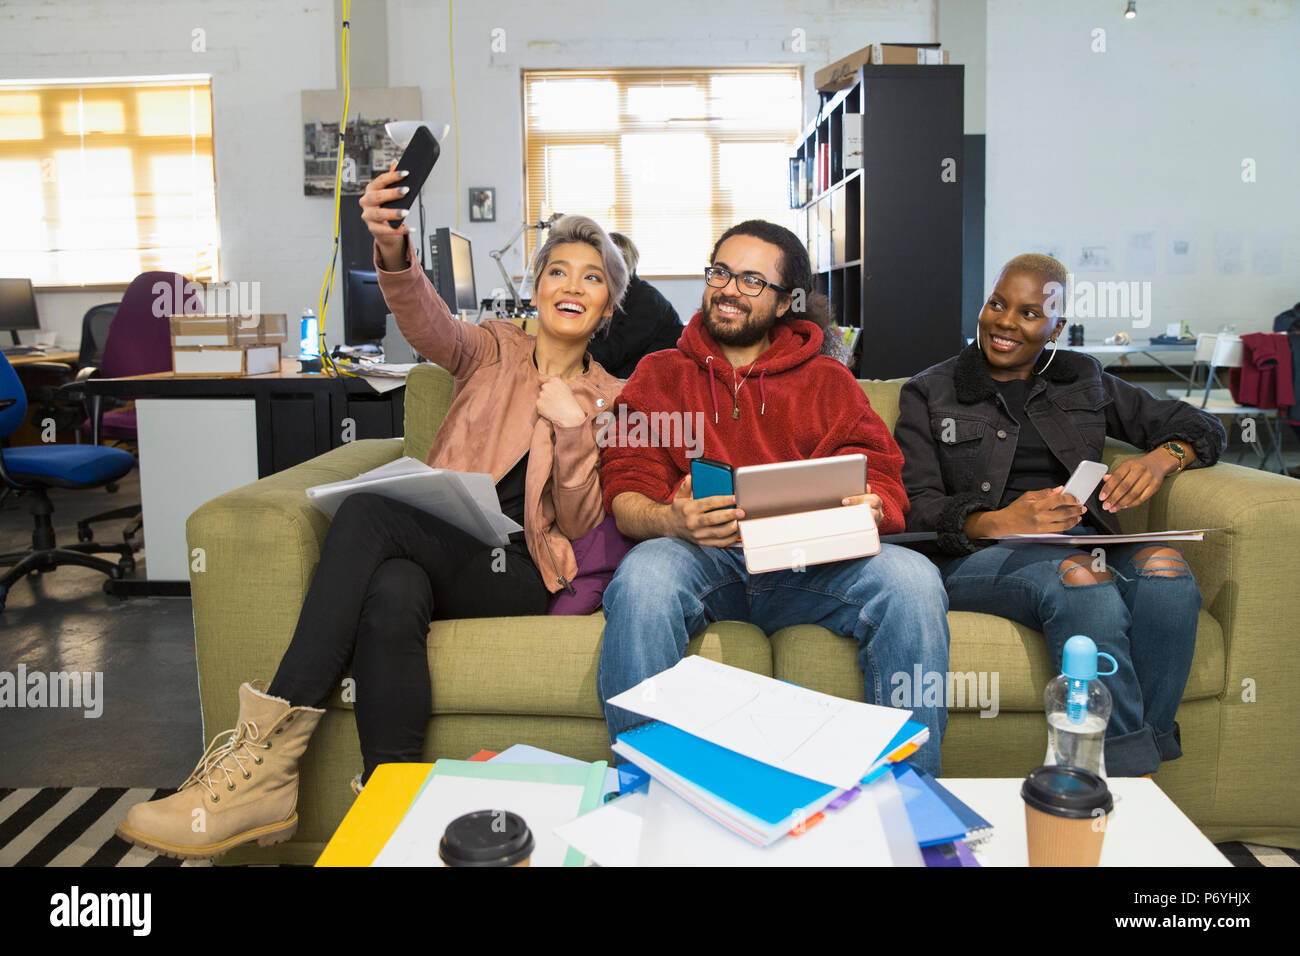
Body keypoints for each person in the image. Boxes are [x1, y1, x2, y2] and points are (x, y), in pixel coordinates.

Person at [115, 167, 628, 859]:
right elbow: (428, 322)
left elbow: (580, 517)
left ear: (609, 305)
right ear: (535, 289)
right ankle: (396, 806)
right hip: (442, 546)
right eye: (558, 271)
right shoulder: (490, 350)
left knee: (367, 514)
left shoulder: (614, 397)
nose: (572, 285)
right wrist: (391, 249)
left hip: (523, 571)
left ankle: (261, 765)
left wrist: (571, 426)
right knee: (392, 589)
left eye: (592, 278)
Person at [597, 219, 951, 777]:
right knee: (644, 576)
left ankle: (911, 794)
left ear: (787, 302)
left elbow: (882, 476)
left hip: (810, 567)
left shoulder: (830, 382)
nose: (729, 289)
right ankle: (647, 788)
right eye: (721, 272)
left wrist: (874, 504)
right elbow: (623, 487)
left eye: (752, 280)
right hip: (702, 560)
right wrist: (671, 517)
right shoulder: (659, 373)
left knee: (911, 578)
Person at [893, 253, 1227, 777]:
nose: (1004, 322)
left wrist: (1164, 458)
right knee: (1081, 579)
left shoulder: (1082, 378)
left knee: (1167, 572)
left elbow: (1199, 423)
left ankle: (1142, 750)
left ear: (1056, 328)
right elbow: (914, 506)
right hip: (979, 554)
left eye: (1028, 314)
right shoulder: (932, 391)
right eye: (997, 304)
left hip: (1080, 540)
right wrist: (1000, 520)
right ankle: (1120, 778)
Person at [586, 232, 683, 379]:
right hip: (631, 373)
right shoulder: (615, 296)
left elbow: (613, 351)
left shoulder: (646, 301)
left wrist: (572, 357)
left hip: (656, 380)